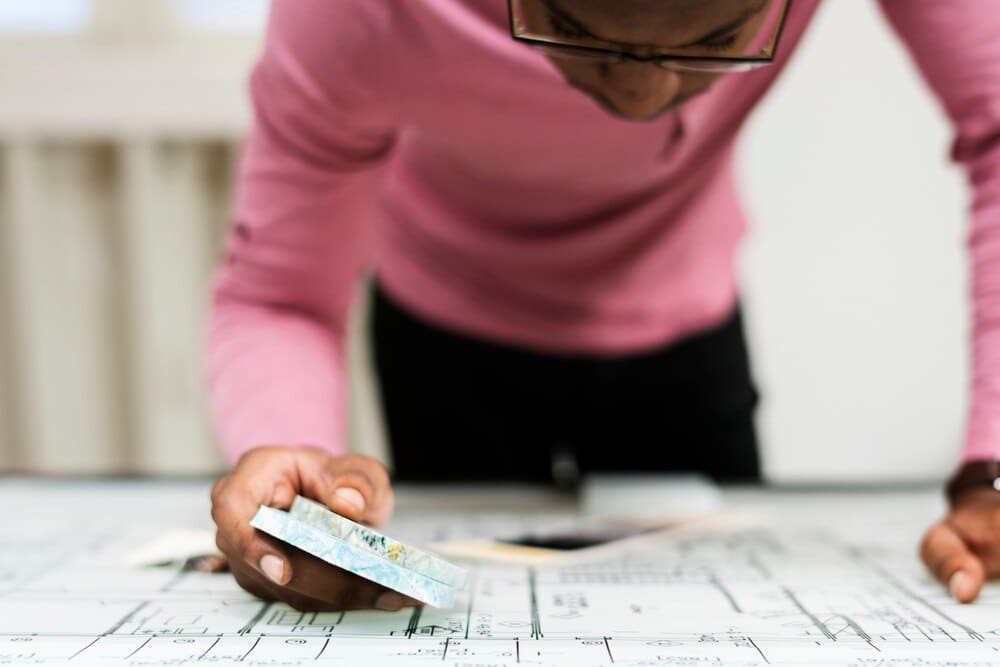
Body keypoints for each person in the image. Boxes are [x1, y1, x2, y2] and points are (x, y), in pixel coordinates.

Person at [207, 0, 1000, 613]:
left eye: (718, 35)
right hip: (442, 329)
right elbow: (282, 292)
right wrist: (289, 461)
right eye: (570, 25)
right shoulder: (358, 12)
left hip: (683, 325)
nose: (640, 93)